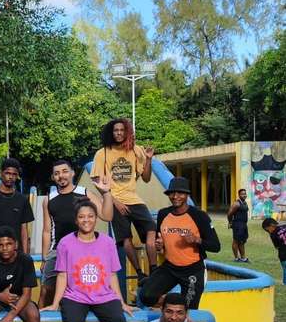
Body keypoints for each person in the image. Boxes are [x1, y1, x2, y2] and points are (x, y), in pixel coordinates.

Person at [42, 199, 134, 322]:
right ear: (76, 220)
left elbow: (111, 275)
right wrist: (55, 303)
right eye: (82, 217)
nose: (86, 220)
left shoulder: (108, 243)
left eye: (90, 216)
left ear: (96, 219)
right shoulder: (66, 243)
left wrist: (121, 301)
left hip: (104, 295)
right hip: (75, 296)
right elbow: (63, 275)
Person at [39, 160, 114, 306]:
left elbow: (107, 216)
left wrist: (106, 193)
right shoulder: (49, 200)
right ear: (53, 177)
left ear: (72, 173)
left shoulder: (85, 193)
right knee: (46, 291)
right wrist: (44, 258)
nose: (61, 176)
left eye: (65, 171)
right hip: (57, 251)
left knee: (79, 291)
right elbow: (47, 231)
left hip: (83, 252)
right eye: (57, 173)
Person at [139, 177, 220, 310]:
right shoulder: (163, 214)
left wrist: (196, 240)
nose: (175, 196)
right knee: (146, 296)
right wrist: (161, 245)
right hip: (170, 268)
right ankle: (169, 301)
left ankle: (176, 305)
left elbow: (216, 246)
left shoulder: (200, 216)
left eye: (180, 193)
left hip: (193, 270)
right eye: (172, 193)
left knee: (188, 310)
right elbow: (162, 240)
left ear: (187, 195)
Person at [91, 118, 157, 282]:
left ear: (127, 132)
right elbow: (97, 182)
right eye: (115, 130)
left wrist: (148, 159)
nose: (119, 133)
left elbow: (147, 178)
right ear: (111, 133)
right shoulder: (103, 153)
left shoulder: (136, 151)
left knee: (151, 229)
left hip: (134, 199)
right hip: (115, 200)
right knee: (125, 238)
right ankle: (140, 274)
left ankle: (154, 269)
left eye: (122, 130)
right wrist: (115, 202)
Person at [227, 188, 250, 262]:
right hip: (237, 224)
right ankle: (236, 258)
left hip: (243, 224)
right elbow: (229, 214)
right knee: (236, 241)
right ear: (239, 195)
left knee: (242, 241)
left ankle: (243, 258)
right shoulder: (236, 203)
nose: (244, 195)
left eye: (245, 194)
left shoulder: (245, 203)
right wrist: (230, 222)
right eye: (242, 194)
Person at [261, 217, 286, 284]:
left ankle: (285, 282)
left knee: (285, 269)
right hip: (283, 254)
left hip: (283, 255)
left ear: (271, 225)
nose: (268, 231)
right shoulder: (284, 226)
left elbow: (277, 246)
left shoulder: (273, 234)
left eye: (267, 229)